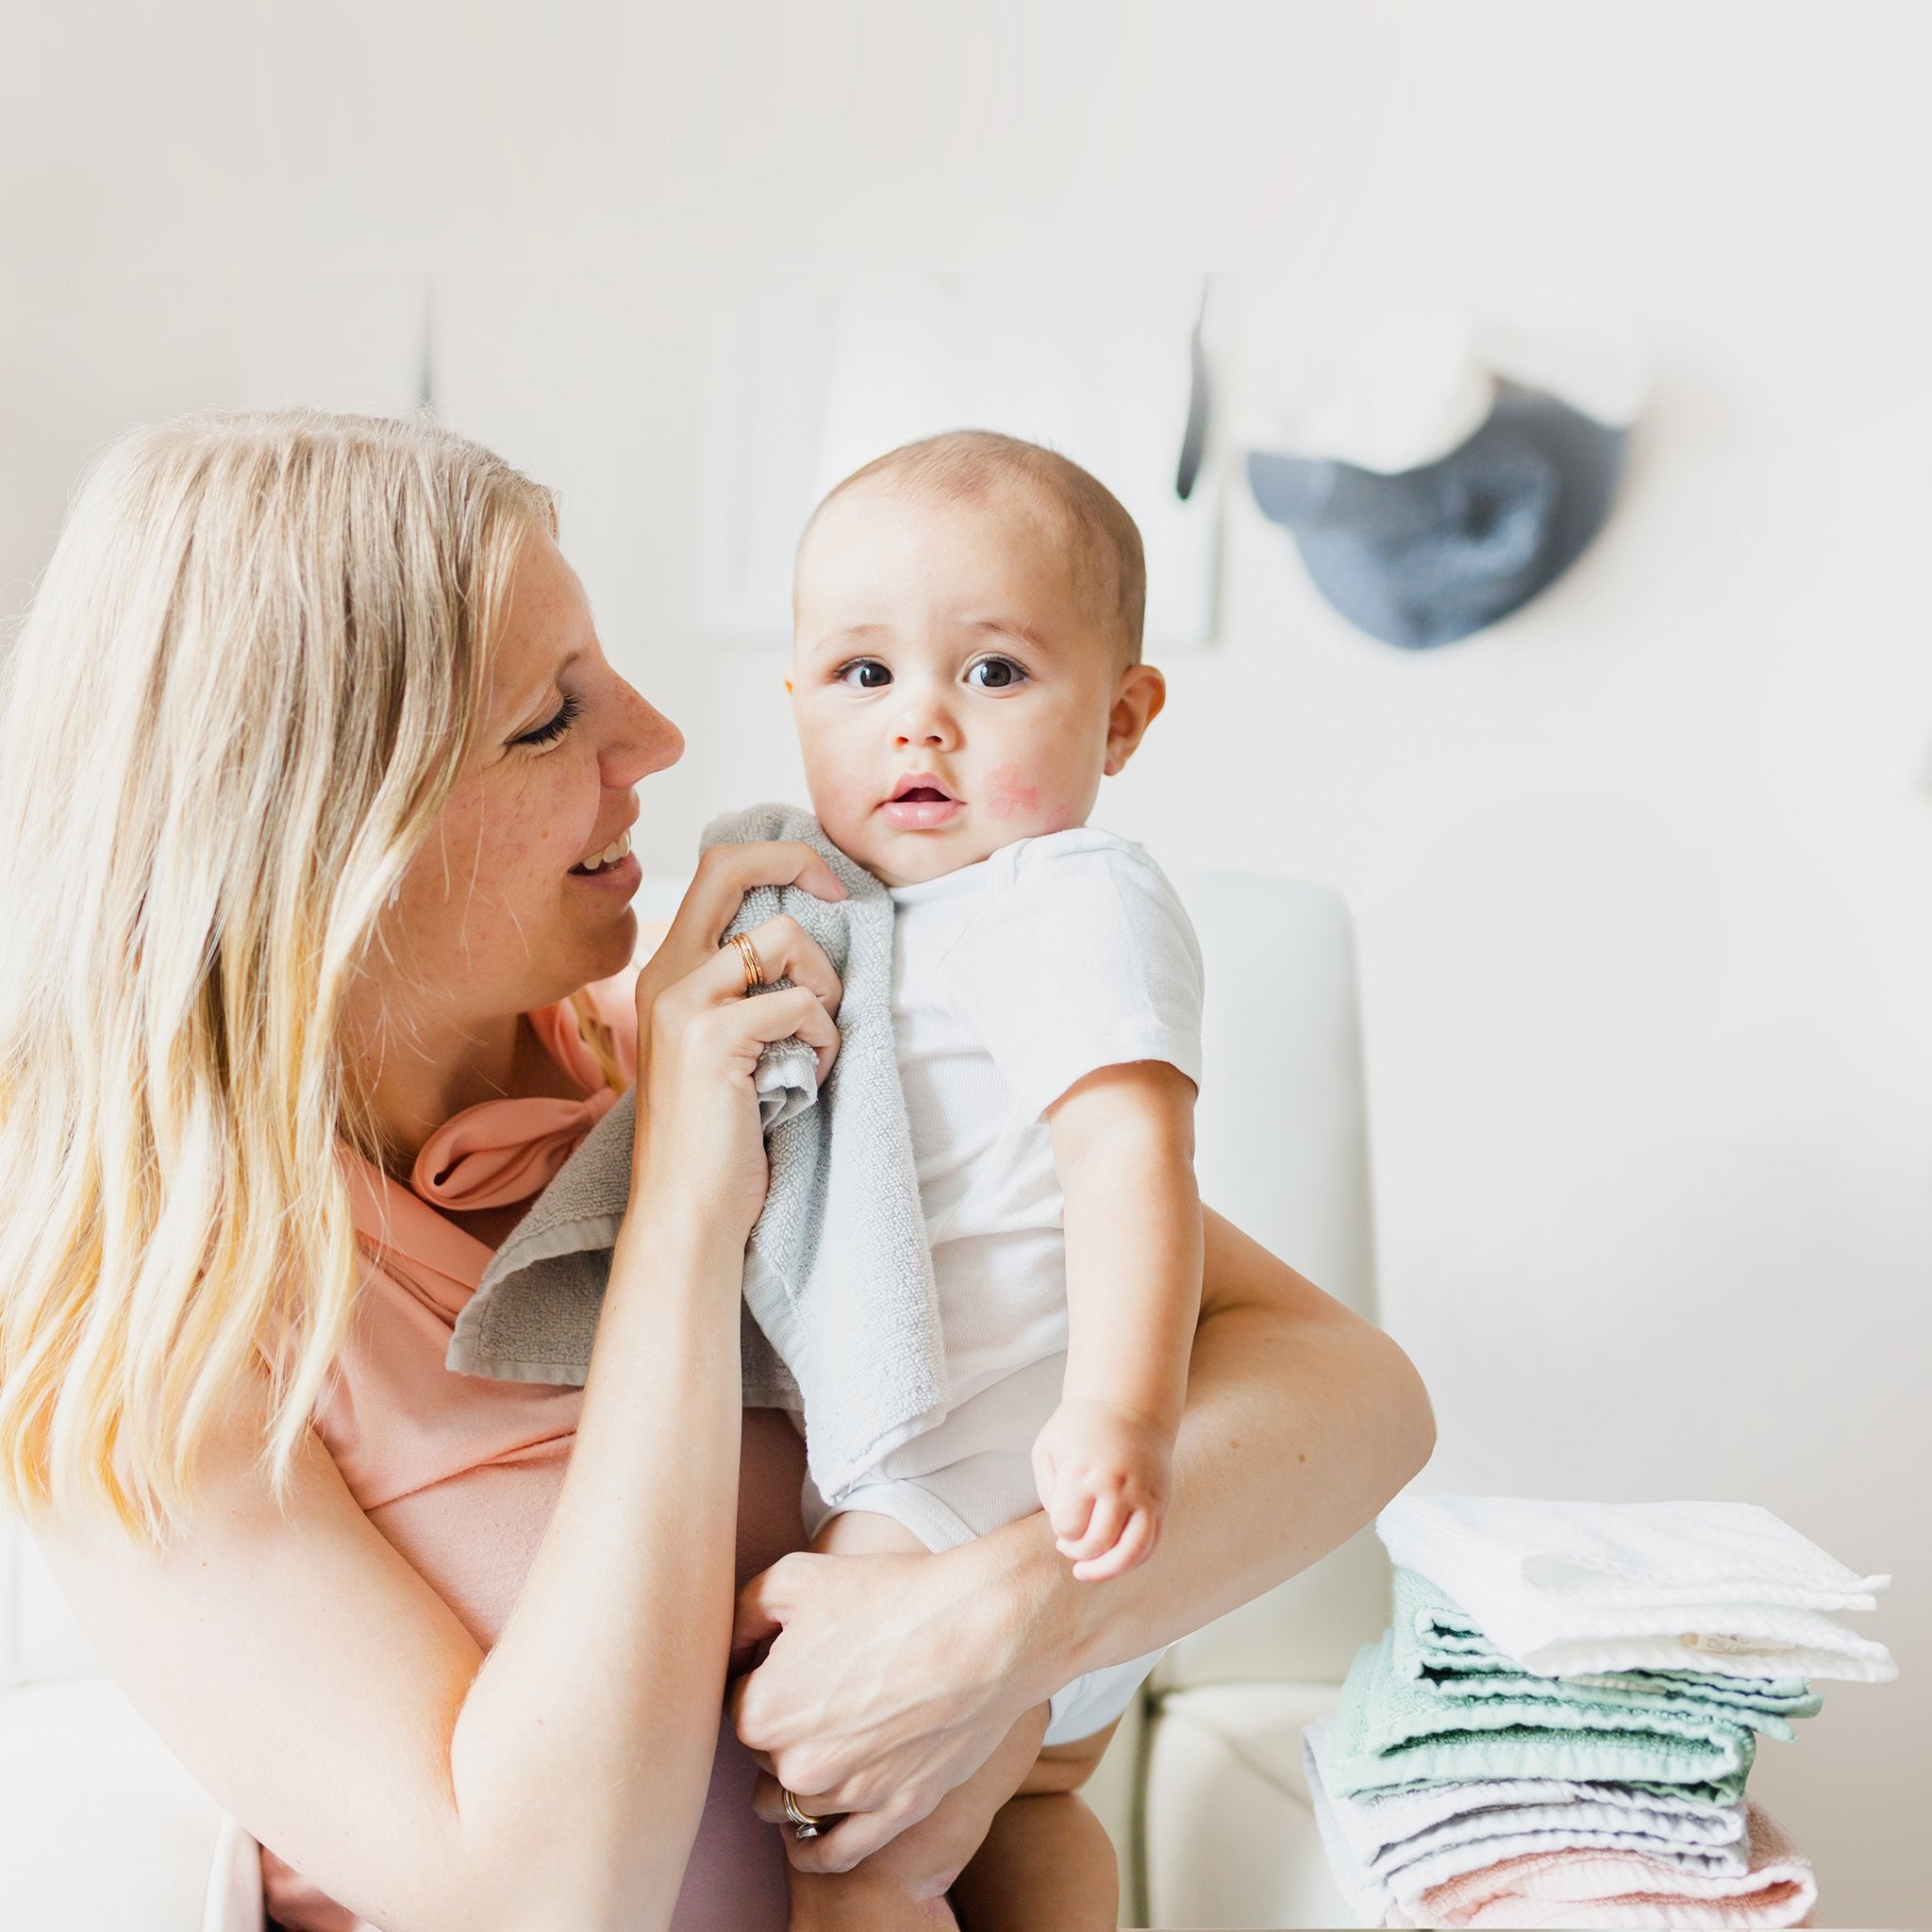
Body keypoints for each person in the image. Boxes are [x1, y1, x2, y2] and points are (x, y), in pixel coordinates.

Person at [0, 408, 1435, 1932]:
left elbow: (1355, 1397)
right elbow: (548, 1899)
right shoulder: (140, 1309)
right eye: (551, 719)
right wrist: (684, 1215)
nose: (660, 738)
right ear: (334, 825)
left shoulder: (733, 1023)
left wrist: (991, 1620)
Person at [753, 429, 1207, 1930]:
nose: (920, 729)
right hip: (1005, 1497)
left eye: (994, 674)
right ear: (798, 699)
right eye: (863, 677)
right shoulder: (865, 920)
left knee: (849, 1860)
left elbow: (1130, 1161)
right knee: (1036, 1814)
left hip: (992, 1475)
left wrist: (1121, 1413)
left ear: (1123, 718)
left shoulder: (1065, 898)